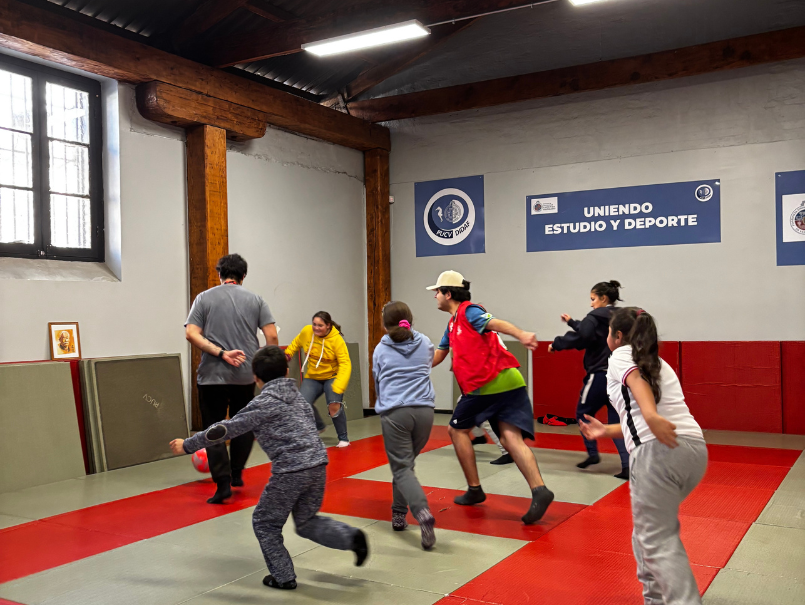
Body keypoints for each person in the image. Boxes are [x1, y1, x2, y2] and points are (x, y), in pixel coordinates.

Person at [170, 346, 368, 591]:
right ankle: (352, 537)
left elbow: (223, 429)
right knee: (305, 521)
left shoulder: (262, 404)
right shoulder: (299, 398)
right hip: (318, 465)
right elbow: (314, 425)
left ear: (256, 378)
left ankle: (283, 576)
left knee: (265, 522)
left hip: (290, 471)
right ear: (287, 372)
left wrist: (188, 445)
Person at [580, 308, 707, 605]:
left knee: (657, 540)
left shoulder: (622, 355)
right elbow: (641, 415)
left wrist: (650, 416)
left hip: (657, 455)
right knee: (646, 535)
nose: (607, 338)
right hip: (692, 451)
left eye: (609, 332)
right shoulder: (659, 363)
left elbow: (637, 385)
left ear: (619, 336)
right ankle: (656, 600)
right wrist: (607, 430)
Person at [429, 270, 554, 524]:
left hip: (487, 385)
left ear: (448, 293)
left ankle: (475, 489)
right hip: (509, 383)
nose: (435, 297)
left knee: (456, 431)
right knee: (510, 437)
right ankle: (540, 490)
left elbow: (495, 323)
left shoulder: (468, 311)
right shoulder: (452, 324)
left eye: (437, 292)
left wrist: (521, 334)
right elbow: (439, 356)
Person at [185, 253, 278, 504]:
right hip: (245, 374)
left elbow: (191, 334)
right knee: (244, 424)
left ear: (220, 275)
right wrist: (261, 367)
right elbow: (271, 336)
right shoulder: (257, 300)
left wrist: (221, 353)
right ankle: (237, 473)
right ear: (243, 276)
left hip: (211, 376)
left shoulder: (203, 298)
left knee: (213, 428)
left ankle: (223, 484)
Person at [549, 280, 630, 479]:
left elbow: (585, 336)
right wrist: (572, 322)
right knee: (617, 421)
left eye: (593, 299)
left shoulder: (594, 316)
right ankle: (628, 465)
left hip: (599, 375)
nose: (591, 304)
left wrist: (557, 344)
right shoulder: (620, 318)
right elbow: (591, 331)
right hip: (618, 376)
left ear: (603, 298)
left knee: (583, 413)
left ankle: (593, 454)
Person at [373, 301, 437, 550]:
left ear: (384, 324)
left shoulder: (380, 348)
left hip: (396, 413)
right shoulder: (425, 342)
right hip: (425, 412)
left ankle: (422, 513)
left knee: (401, 469)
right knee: (405, 466)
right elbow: (428, 364)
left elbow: (377, 380)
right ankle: (398, 515)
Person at [285, 312, 352, 447]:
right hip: (313, 377)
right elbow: (297, 342)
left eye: (320, 325)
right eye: (314, 324)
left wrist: (339, 385)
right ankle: (319, 426)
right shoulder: (307, 332)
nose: (316, 328)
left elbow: (345, 363)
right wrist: (287, 354)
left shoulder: (337, 340)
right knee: (301, 403)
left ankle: (343, 438)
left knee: (333, 405)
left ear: (328, 325)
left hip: (332, 377)